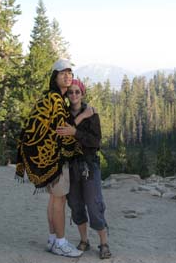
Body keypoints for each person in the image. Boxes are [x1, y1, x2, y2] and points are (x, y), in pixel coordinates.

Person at [15, 59, 91, 258]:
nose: (67, 76)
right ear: (54, 78)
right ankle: (60, 242)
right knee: (59, 200)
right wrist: (83, 118)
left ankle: (51, 239)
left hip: (46, 158)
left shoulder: (51, 97)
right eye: (62, 73)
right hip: (55, 158)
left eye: (69, 73)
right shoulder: (56, 100)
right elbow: (63, 130)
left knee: (53, 200)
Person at [56, 79, 112, 260]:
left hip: (89, 165)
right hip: (70, 165)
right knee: (76, 204)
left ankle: (104, 243)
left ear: (82, 93)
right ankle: (84, 240)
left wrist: (76, 133)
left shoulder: (92, 115)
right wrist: (80, 121)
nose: (73, 95)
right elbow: (62, 134)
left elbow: (95, 142)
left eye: (77, 92)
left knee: (94, 205)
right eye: (70, 92)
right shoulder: (64, 114)